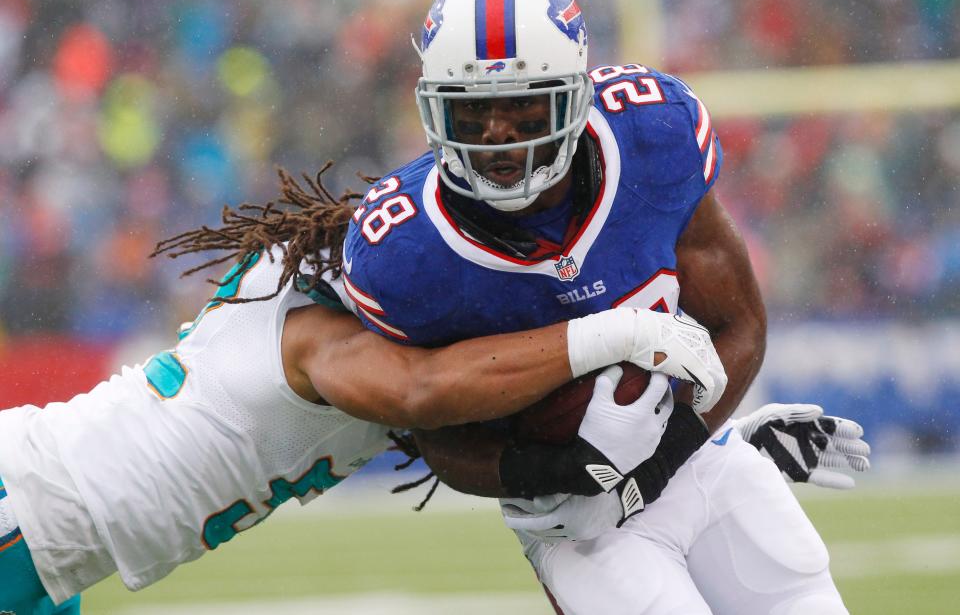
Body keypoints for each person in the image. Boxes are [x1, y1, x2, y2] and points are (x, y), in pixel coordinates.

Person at [342, 0, 870, 614]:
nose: (500, 136)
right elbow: (439, 435)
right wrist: (557, 474)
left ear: (575, 93)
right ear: (434, 108)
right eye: (473, 112)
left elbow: (741, 328)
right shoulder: (407, 250)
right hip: (577, 523)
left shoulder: (652, 136)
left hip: (701, 462)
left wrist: (664, 457)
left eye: (523, 104)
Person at [0, 168, 727, 614]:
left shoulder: (347, 315)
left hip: (55, 551)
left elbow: (490, 432)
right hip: (27, 511)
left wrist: (708, 447)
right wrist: (616, 333)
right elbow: (422, 390)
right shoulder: (319, 336)